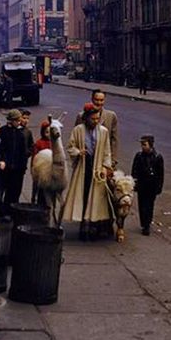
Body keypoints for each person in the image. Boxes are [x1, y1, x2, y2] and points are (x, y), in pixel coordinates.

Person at [63, 102, 113, 240]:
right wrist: (79, 152)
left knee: (96, 198)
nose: (95, 121)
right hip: (83, 167)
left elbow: (107, 152)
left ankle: (93, 226)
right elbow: (70, 146)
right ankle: (83, 226)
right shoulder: (78, 130)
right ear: (86, 118)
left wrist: (105, 167)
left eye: (97, 119)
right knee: (83, 195)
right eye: (93, 119)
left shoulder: (103, 132)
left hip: (97, 168)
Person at [75, 88, 119, 168]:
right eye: (96, 100)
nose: (99, 103)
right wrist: (77, 154)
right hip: (85, 159)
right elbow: (76, 138)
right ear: (92, 99)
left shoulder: (111, 116)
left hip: (103, 158)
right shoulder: (81, 116)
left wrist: (113, 160)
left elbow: (114, 140)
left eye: (101, 100)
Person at [131, 134, 164, 235]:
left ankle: (147, 225)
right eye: (142, 145)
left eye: (144, 144)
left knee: (149, 205)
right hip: (142, 184)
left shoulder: (157, 157)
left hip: (151, 185)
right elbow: (134, 170)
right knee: (142, 205)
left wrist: (159, 187)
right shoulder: (139, 156)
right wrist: (134, 182)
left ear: (150, 145)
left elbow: (160, 173)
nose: (143, 147)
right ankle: (143, 223)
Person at [0, 109, 30, 211]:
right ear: (11, 120)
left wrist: (23, 164)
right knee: (3, 189)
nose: (19, 122)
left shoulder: (21, 133)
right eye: (17, 120)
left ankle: (12, 210)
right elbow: (1, 149)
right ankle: (2, 209)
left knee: (15, 190)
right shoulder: (3, 132)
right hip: (6, 167)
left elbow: (24, 150)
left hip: (18, 168)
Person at [31, 120, 52, 204]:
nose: (49, 134)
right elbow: (35, 157)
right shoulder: (39, 143)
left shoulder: (53, 143)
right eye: (47, 132)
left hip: (50, 172)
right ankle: (34, 200)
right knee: (38, 188)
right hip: (40, 171)